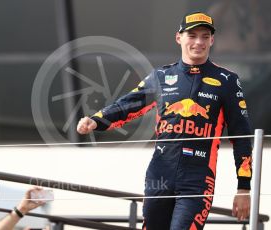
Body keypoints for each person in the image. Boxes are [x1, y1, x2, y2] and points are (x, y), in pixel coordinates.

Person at [76, 11, 252, 230]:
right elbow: (127, 105)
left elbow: (242, 137)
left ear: (212, 40)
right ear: (179, 37)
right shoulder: (160, 77)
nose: (199, 42)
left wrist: (243, 188)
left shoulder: (227, 80)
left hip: (198, 179)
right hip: (159, 175)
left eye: (205, 36)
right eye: (192, 35)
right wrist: (97, 120)